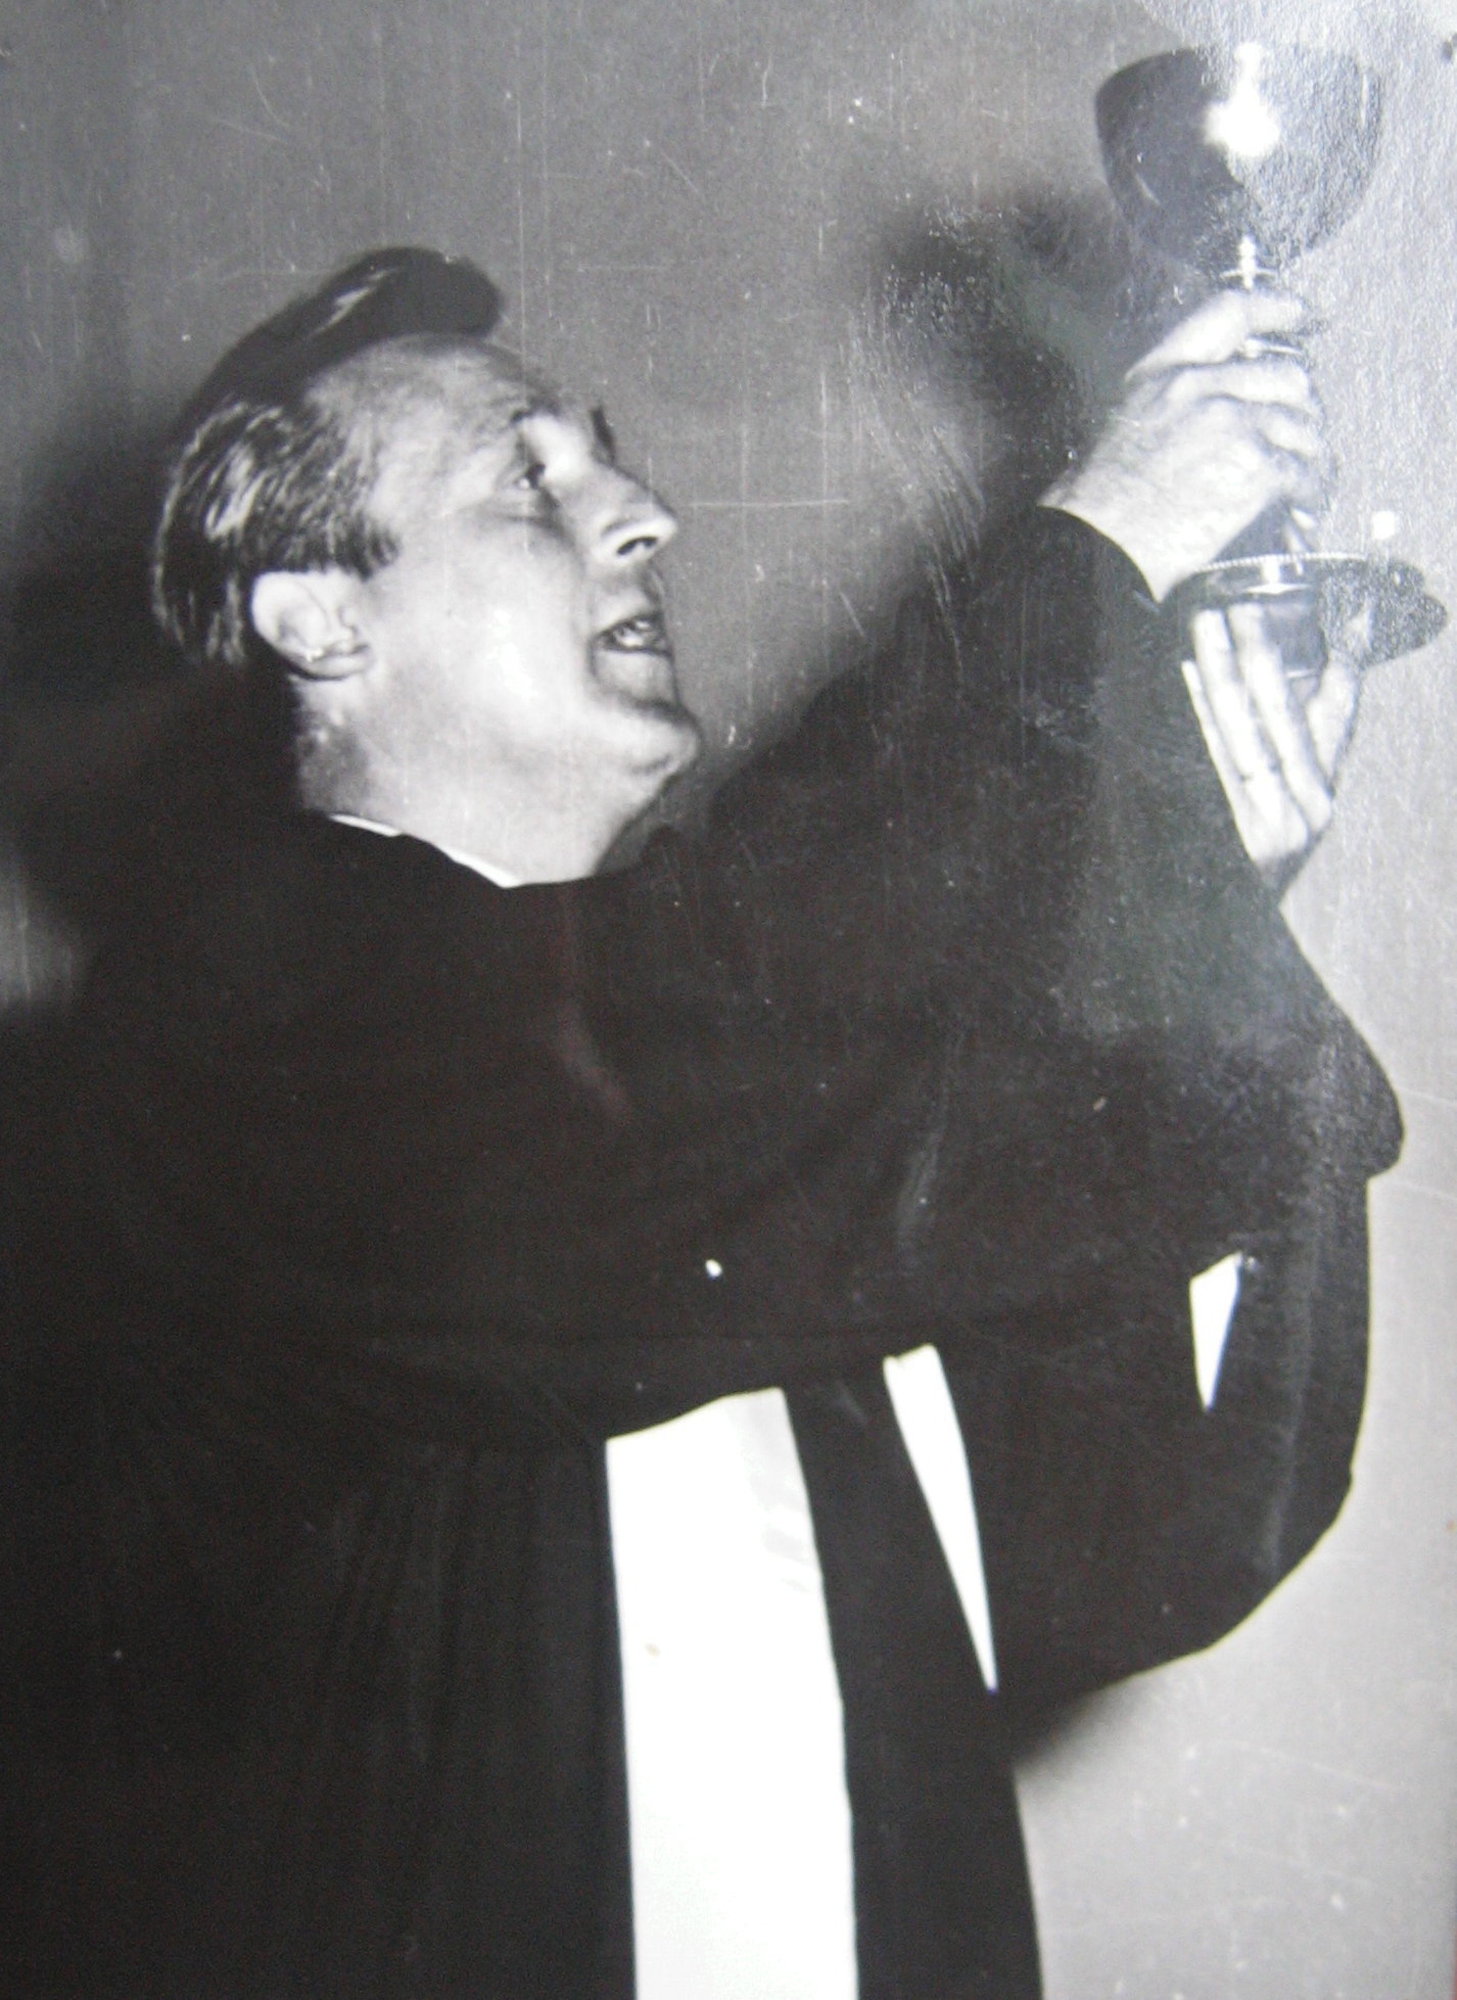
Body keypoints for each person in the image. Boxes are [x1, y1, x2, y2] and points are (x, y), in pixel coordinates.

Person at [1, 247, 1399, 2000]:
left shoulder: (759, 1116)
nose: (645, 514)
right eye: (531, 480)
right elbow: (666, 1050)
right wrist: (1096, 550)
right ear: (319, 621)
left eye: (609, 461)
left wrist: (1191, 913)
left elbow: (1142, 1550)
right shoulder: (228, 1020)